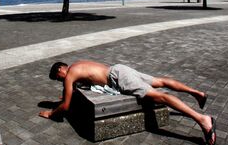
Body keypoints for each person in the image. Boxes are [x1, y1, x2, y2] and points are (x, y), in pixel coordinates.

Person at [40, 60, 216, 145]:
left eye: (58, 77)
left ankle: (202, 120)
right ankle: (197, 93)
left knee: (159, 96)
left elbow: (66, 105)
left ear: (61, 69)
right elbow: (71, 89)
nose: (60, 80)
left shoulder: (71, 73)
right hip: (119, 69)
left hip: (118, 78)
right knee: (160, 81)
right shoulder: (79, 64)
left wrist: (51, 113)